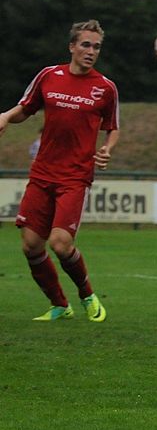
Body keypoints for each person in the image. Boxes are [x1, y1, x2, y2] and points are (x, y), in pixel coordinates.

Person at [0, 19, 119, 322]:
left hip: (75, 176)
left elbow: (112, 127)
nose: (91, 51)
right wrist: (4, 116)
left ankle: (87, 295)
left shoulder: (105, 88)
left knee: (61, 243)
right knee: (30, 246)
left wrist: (107, 149)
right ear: (72, 47)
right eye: (85, 45)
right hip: (42, 173)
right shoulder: (49, 76)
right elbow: (25, 108)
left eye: (96, 47)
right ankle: (59, 305)